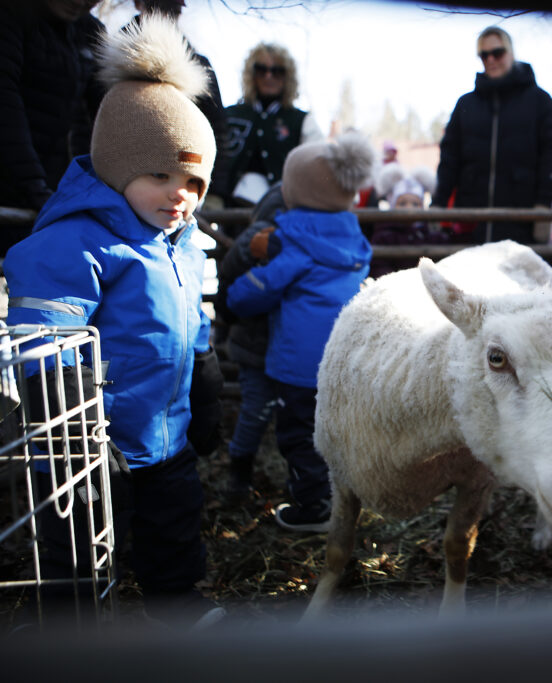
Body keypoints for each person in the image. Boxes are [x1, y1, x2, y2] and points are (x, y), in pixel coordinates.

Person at [4, 15, 224, 627]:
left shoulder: (179, 242)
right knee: (79, 543)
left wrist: (204, 374)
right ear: (116, 165)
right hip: (90, 445)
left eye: (192, 181)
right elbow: (41, 328)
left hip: (163, 433)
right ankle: (73, 624)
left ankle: (177, 606)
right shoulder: (79, 242)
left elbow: (192, 318)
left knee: (174, 524)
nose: (178, 195)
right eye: (159, 175)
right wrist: (64, 399)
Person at [226, 134, 375, 532]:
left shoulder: (295, 243)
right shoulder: (352, 238)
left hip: (299, 367)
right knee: (335, 431)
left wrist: (236, 295)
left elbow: (256, 290)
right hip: (343, 360)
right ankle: (343, 495)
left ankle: (313, 509)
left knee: (299, 436)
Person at [434, 25, 552, 244]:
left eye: (497, 52)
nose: (491, 60)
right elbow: (449, 158)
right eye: (484, 55)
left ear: (511, 52)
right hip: (470, 221)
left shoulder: (539, 101)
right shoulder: (466, 104)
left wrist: (543, 206)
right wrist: (438, 204)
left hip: (519, 218)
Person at [0, 0, 103, 254]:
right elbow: (4, 102)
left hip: (49, 184)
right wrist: (32, 183)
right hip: (20, 181)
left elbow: (108, 111)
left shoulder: (90, 32)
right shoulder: (10, 13)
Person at [215, 181, 286, 505]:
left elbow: (227, 277)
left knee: (272, 410)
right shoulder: (259, 236)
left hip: (281, 344)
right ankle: (238, 478)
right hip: (257, 343)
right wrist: (228, 318)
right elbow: (229, 275)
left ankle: (277, 478)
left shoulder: (305, 235)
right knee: (257, 409)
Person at [121, 0, 228, 189]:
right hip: (120, 180)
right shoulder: (114, 58)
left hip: (180, 183)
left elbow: (216, 131)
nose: (164, 17)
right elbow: (87, 123)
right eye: (158, 6)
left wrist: (212, 189)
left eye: (174, 9)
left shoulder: (199, 67)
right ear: (139, 3)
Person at [209, 41, 324, 212]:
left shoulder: (301, 121)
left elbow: (317, 165)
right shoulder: (229, 115)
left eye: (277, 71)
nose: (268, 76)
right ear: (252, 74)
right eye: (261, 70)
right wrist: (214, 195)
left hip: (282, 212)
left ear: (287, 77)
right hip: (229, 212)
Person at [368, 162, 446, 278]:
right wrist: (392, 280)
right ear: (393, 205)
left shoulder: (429, 234)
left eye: (415, 204)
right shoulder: (384, 235)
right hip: (394, 287)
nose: (409, 209)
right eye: (402, 203)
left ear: (422, 206)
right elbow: (378, 265)